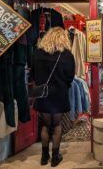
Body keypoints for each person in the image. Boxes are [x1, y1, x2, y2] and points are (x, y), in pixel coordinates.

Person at [32, 27, 75, 167]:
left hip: (43, 93)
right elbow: (70, 76)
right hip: (59, 93)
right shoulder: (67, 55)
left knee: (45, 125)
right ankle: (55, 158)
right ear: (63, 38)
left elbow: (33, 74)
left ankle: (44, 157)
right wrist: (64, 85)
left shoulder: (38, 53)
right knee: (56, 125)